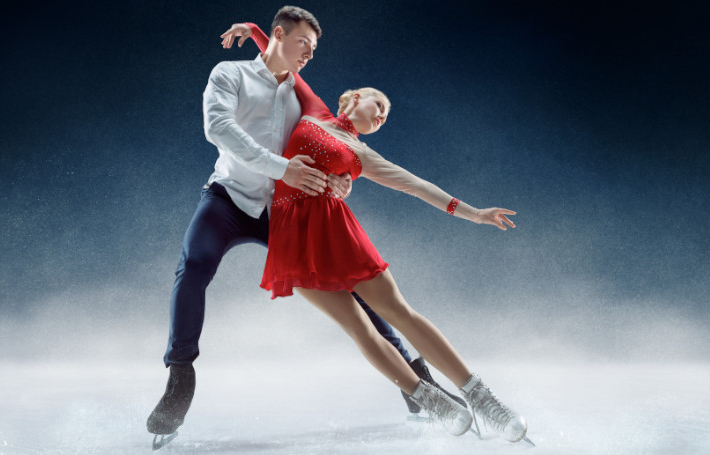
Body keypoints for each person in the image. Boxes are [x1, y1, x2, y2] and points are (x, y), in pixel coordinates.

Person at [146, 6, 460, 441]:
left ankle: (417, 380)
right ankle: (180, 376)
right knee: (194, 265)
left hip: (284, 213)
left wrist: (341, 179)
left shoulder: (300, 96)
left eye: (314, 49)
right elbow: (218, 127)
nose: (310, 55)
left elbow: (333, 145)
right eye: (304, 46)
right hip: (228, 198)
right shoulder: (229, 74)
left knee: (353, 288)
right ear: (280, 34)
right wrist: (281, 167)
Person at [221, 21, 529, 442]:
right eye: (378, 103)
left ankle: (483, 399)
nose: (383, 114)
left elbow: (416, 184)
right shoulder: (313, 110)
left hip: (335, 232)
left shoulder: (362, 154)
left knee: (400, 313)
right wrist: (255, 29)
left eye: (387, 115)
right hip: (292, 236)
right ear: (352, 99)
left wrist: (473, 213)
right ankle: (429, 399)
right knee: (358, 329)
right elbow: (285, 62)